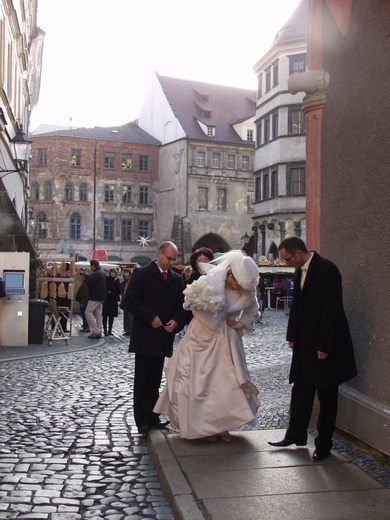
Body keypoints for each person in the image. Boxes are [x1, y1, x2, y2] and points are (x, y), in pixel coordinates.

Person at [154, 250, 260, 442]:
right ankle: (204, 428)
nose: (238, 288)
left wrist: (238, 323)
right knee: (199, 382)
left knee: (225, 384)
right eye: (236, 283)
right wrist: (204, 308)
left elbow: (253, 311)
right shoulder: (207, 281)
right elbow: (189, 303)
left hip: (226, 339)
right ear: (229, 274)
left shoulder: (246, 290)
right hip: (200, 337)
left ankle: (222, 426)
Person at [268, 237, 357, 461]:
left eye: (287, 258)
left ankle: (324, 444)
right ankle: (295, 434)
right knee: (301, 389)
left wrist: (324, 345)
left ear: (298, 254)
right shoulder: (299, 270)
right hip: (304, 344)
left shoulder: (327, 270)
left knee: (327, 397)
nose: (285, 263)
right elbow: (296, 306)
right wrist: (292, 336)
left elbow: (332, 310)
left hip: (324, 345)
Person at [123, 241, 187, 435]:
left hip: (163, 337)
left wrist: (176, 321)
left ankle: (154, 416)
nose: (171, 262)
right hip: (145, 335)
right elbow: (130, 301)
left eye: (174, 259)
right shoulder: (142, 274)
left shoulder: (176, 279)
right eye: (169, 258)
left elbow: (182, 306)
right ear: (159, 254)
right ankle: (142, 418)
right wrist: (150, 317)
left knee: (155, 379)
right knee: (142, 379)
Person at [85, 259, 106, 339]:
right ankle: (99, 331)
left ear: (93, 266)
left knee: (88, 312)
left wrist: (86, 276)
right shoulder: (102, 273)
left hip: (95, 296)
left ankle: (95, 330)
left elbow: (89, 283)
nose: (90, 267)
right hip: (101, 297)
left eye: (91, 266)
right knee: (98, 315)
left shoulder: (96, 274)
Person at [102, 268, 120, 336]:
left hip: (113, 300)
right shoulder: (106, 279)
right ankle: (105, 330)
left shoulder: (116, 281)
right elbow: (104, 288)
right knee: (105, 315)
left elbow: (118, 290)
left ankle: (110, 330)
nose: (113, 274)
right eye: (112, 272)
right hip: (107, 300)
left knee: (111, 316)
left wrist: (116, 296)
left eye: (114, 273)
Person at [120, 269, 133, 336]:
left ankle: (131, 330)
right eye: (125, 272)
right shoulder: (123, 282)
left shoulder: (131, 281)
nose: (125, 274)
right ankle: (127, 330)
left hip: (130, 301)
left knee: (130, 316)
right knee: (126, 316)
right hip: (124, 300)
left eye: (127, 272)